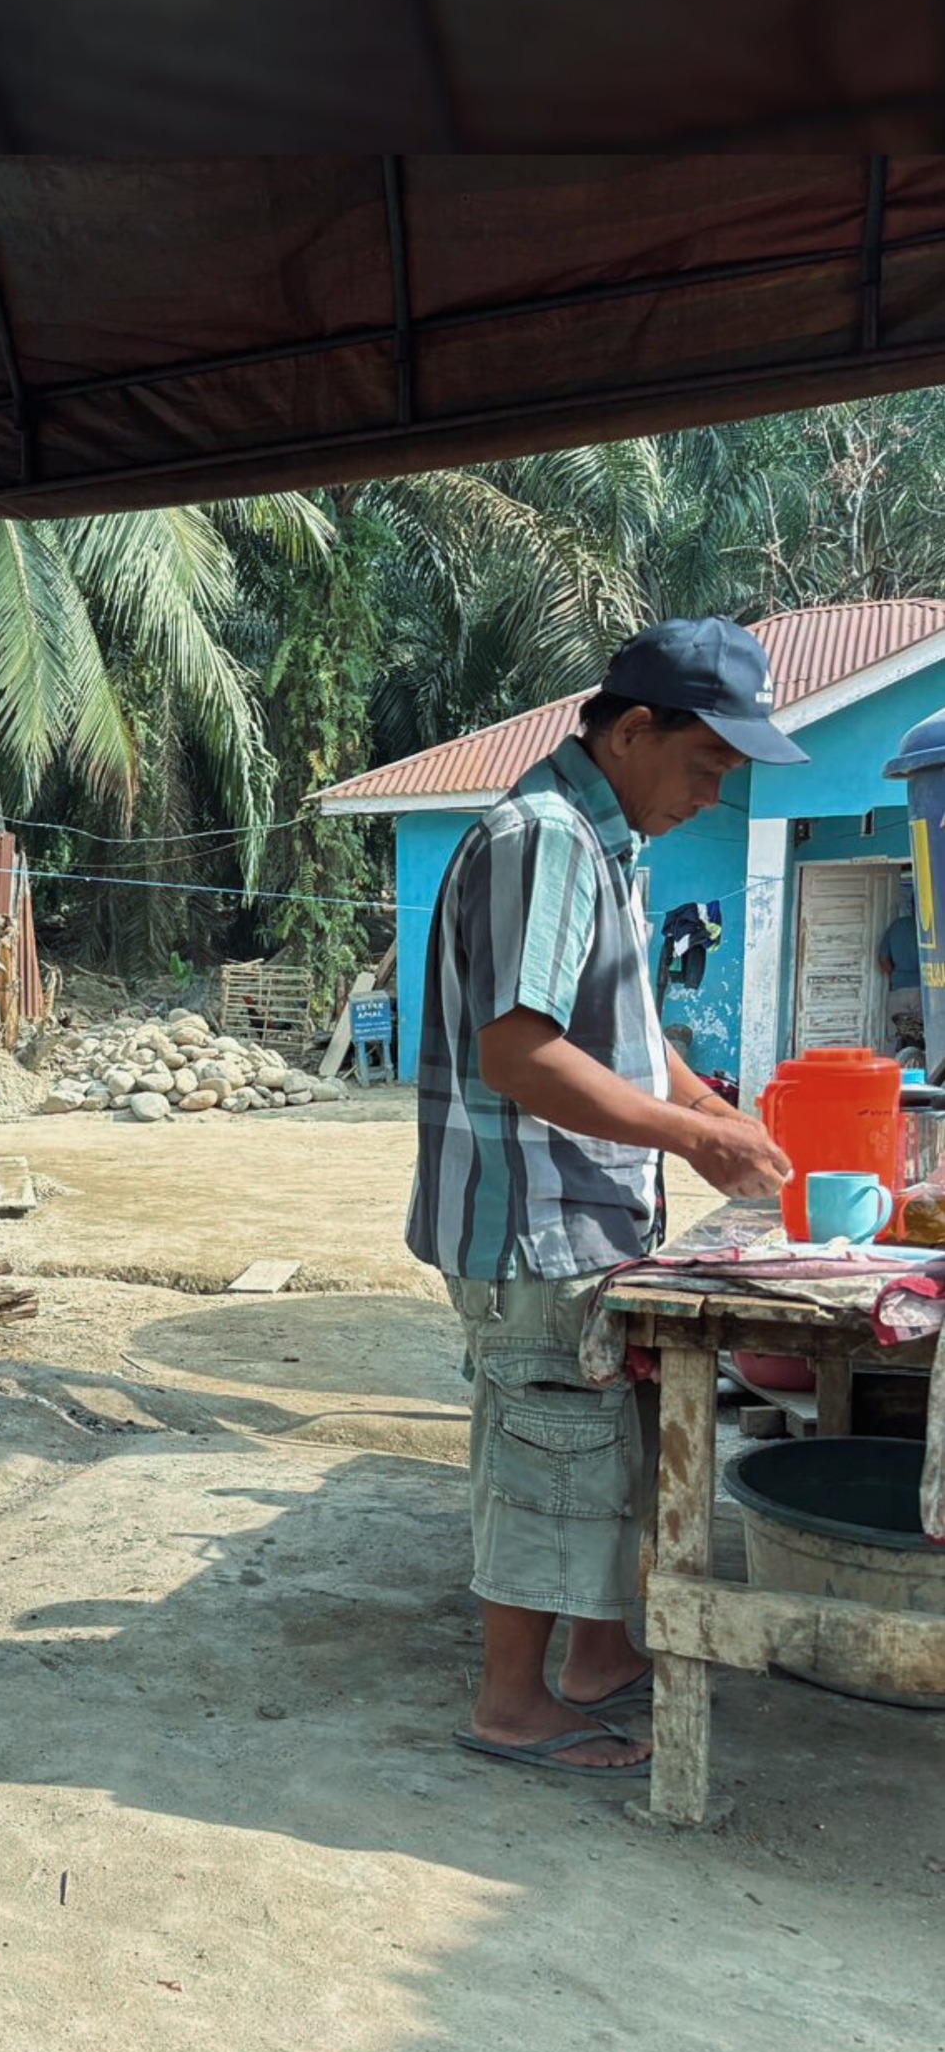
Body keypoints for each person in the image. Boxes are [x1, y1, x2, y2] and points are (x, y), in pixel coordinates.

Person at [407, 616, 798, 1779]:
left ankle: (596, 1656)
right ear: (633, 729)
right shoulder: (543, 841)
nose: (711, 792)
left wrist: (711, 1110)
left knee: (602, 1449)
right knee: (548, 1459)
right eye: (706, 764)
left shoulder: (602, 840)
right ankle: (511, 1704)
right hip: (529, 1224)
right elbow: (520, 1053)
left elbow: (623, 1037)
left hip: (583, 1217)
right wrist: (687, 1133)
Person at [878, 884, 923, 1054]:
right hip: (921, 991)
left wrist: (895, 975)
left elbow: (883, 959)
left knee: (895, 1036)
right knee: (919, 1036)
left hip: (898, 989)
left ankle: (890, 1070)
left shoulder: (896, 926)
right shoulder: (930, 929)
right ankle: (918, 1069)